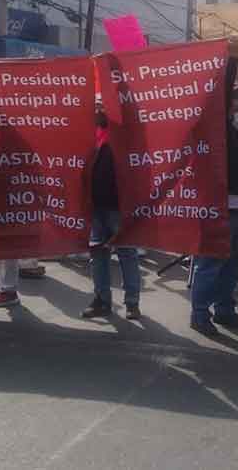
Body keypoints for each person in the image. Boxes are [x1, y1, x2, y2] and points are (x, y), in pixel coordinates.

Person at [191, 69, 238, 336]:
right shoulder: (215, 127)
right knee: (211, 262)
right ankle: (200, 314)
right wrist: (231, 58)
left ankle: (225, 310)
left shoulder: (237, 131)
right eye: (235, 101)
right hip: (217, 207)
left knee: (231, 263)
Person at [81, 97, 141, 320]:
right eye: (96, 106)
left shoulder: (124, 134)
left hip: (119, 207)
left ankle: (132, 303)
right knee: (98, 255)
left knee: (126, 253)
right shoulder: (91, 135)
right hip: (96, 207)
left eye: (102, 105)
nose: (98, 110)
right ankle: (101, 301)